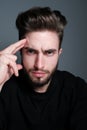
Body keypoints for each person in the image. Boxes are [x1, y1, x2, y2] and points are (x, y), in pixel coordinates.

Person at [0, 6, 87, 130]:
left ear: (59, 53)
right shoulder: (4, 88)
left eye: (49, 52)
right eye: (31, 51)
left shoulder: (77, 90)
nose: (39, 64)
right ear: (20, 52)